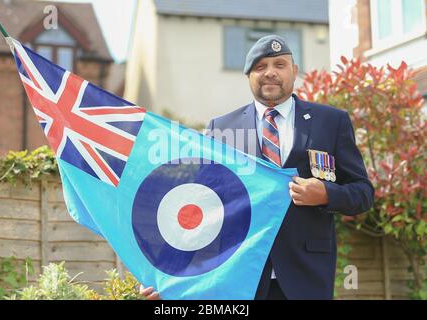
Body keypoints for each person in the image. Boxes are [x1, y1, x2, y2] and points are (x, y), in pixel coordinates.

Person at [141, 35, 374, 300]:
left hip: (307, 278)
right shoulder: (222, 129)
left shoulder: (331, 122)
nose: (270, 73)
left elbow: (363, 193)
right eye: (260, 67)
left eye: (279, 64)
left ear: (294, 71)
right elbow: (201, 207)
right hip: (241, 278)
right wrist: (166, 275)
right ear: (248, 75)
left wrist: (326, 195)